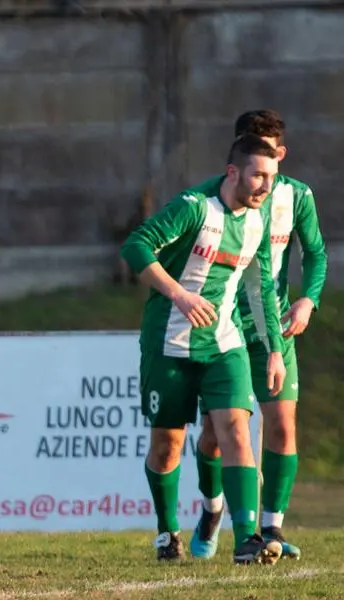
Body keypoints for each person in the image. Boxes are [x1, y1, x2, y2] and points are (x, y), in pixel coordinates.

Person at [120, 134, 286, 565]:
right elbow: (135, 246)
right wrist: (179, 294)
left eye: (271, 177)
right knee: (167, 446)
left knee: (235, 429)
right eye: (257, 176)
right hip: (169, 344)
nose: (265, 186)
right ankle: (166, 532)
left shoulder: (257, 219)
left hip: (223, 344)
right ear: (233, 172)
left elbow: (261, 285)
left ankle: (248, 537)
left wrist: (274, 349)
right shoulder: (195, 207)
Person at [190, 110, 327, 561]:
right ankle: (212, 510)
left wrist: (307, 299)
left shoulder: (296, 196)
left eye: (267, 147)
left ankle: (270, 530)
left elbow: (316, 254)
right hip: (222, 324)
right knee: (215, 432)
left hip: (273, 326)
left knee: (283, 425)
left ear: (280, 153)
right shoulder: (213, 195)